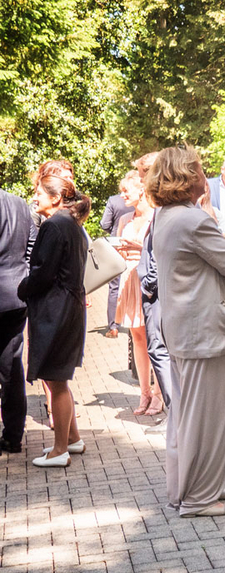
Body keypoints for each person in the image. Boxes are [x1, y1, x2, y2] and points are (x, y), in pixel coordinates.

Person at [147, 146, 225, 517]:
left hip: (181, 326)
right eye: (201, 170)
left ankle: (187, 488)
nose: (205, 176)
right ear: (189, 177)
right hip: (204, 329)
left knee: (185, 413)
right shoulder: (193, 219)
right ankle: (199, 497)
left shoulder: (163, 216)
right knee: (206, 414)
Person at [18, 176, 92, 467]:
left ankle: (59, 449)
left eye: (38, 192)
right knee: (58, 375)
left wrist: (22, 288)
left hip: (56, 309)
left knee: (56, 379)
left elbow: (43, 272)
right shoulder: (71, 223)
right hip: (69, 306)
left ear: (56, 197)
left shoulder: (53, 225)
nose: (35, 197)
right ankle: (72, 439)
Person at [113, 171, 163, 417]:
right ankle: (143, 392)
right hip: (129, 278)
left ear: (141, 190)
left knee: (155, 338)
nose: (122, 195)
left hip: (149, 280)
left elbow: (161, 250)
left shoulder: (156, 216)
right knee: (137, 337)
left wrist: (139, 247)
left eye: (126, 190)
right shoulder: (124, 220)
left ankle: (159, 393)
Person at [134, 151, 173, 434]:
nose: (139, 181)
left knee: (160, 350)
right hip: (155, 290)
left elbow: (159, 254)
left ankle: (176, 414)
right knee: (158, 349)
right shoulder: (162, 207)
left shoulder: (163, 208)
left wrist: (148, 286)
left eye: (141, 175)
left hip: (156, 292)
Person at [0, 188, 33, 455]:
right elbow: (32, 246)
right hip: (16, 296)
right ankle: (13, 436)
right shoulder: (20, 203)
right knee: (12, 367)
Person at [100, 178, 135, 338]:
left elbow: (104, 223)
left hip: (117, 246)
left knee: (114, 287)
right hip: (134, 248)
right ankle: (133, 319)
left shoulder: (113, 200)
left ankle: (113, 326)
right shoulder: (141, 200)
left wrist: (114, 232)